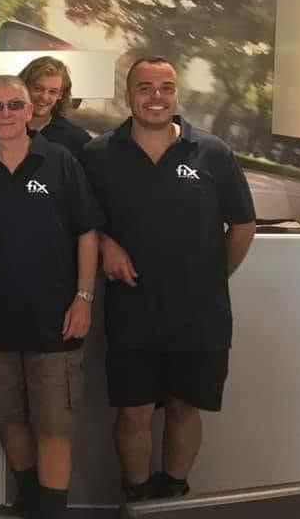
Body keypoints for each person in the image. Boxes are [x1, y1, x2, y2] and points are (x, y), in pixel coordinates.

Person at [80, 57, 256, 502]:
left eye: (166, 87)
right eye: (145, 87)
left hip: (200, 316)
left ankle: (173, 498)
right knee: (133, 415)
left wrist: (214, 277)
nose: (156, 96)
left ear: (176, 94)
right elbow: (79, 222)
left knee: (184, 408)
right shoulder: (99, 155)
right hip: (132, 311)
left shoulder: (212, 152)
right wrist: (105, 242)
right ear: (129, 95)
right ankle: (137, 500)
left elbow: (242, 224)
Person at [0, 75, 102, 519]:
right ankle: (31, 502)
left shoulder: (60, 161)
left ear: (29, 111)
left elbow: (87, 231)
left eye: (14, 105)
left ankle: (51, 513)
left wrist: (83, 297)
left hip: (55, 320)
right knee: (6, 419)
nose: (5, 113)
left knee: (54, 426)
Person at [19, 56, 92, 158]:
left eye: (52, 92)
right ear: (24, 87)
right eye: (38, 88)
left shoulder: (77, 139)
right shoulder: (3, 129)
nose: (44, 97)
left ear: (60, 95)